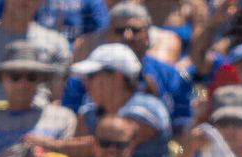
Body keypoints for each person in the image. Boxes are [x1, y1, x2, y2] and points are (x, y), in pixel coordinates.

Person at [60, 2, 192, 133]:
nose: (127, 36)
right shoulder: (86, 76)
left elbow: (182, 128)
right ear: (107, 36)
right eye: (119, 30)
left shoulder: (170, 75)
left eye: (135, 30)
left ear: (147, 37)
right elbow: (71, 121)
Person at [65, 43, 172, 157]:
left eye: (92, 76)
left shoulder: (148, 106)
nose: (85, 82)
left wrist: (50, 144)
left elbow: (109, 143)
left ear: (117, 78)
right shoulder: (89, 113)